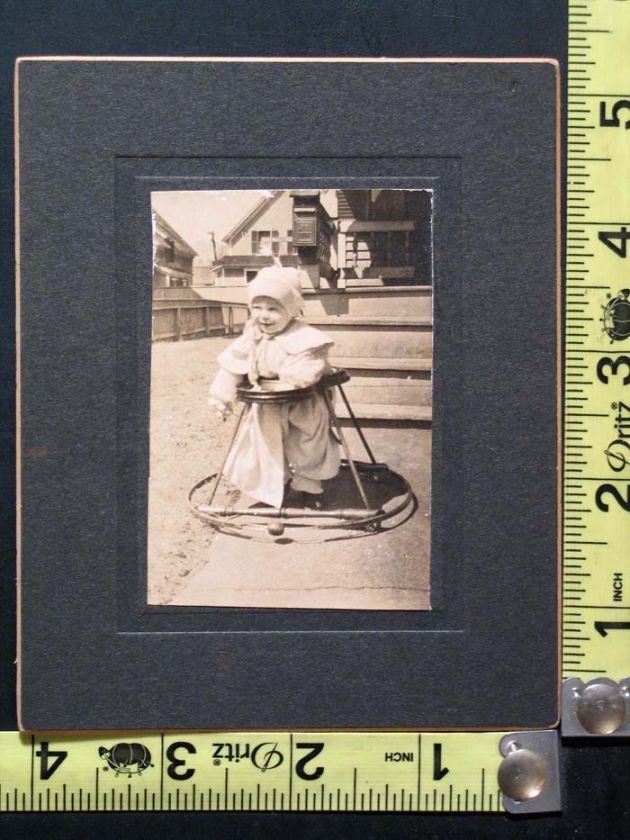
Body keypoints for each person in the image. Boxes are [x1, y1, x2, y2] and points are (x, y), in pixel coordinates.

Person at [208, 266, 341, 508]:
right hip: (267, 400)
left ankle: (309, 484)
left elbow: (309, 367)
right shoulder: (254, 334)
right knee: (265, 442)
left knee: (308, 440)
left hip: (305, 399)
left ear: (291, 310)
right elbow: (234, 361)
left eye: (273, 309)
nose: (263, 316)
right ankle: (272, 487)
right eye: (256, 308)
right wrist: (224, 390)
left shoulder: (306, 337)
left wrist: (293, 378)